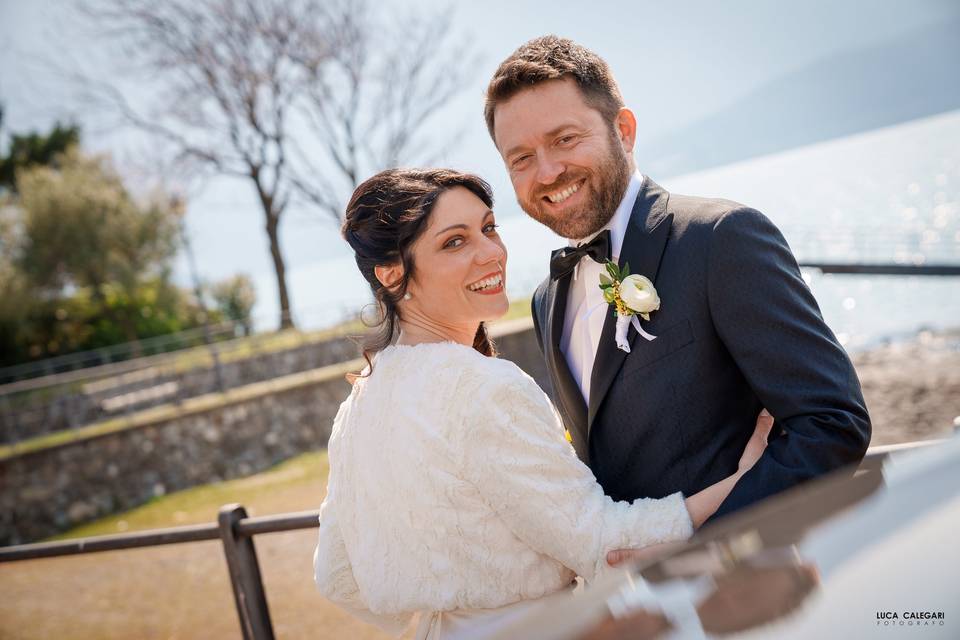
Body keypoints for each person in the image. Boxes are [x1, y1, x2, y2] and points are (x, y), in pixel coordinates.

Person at [313, 168, 771, 639]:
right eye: (454, 242)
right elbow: (603, 543)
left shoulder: (357, 407)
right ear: (391, 274)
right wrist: (741, 481)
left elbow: (337, 578)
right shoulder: (480, 388)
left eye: (489, 229)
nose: (490, 253)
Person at [483, 36, 871, 530]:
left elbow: (832, 423)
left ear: (623, 131)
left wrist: (703, 545)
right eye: (521, 158)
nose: (548, 171)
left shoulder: (720, 239)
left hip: (747, 582)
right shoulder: (546, 299)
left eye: (565, 139)